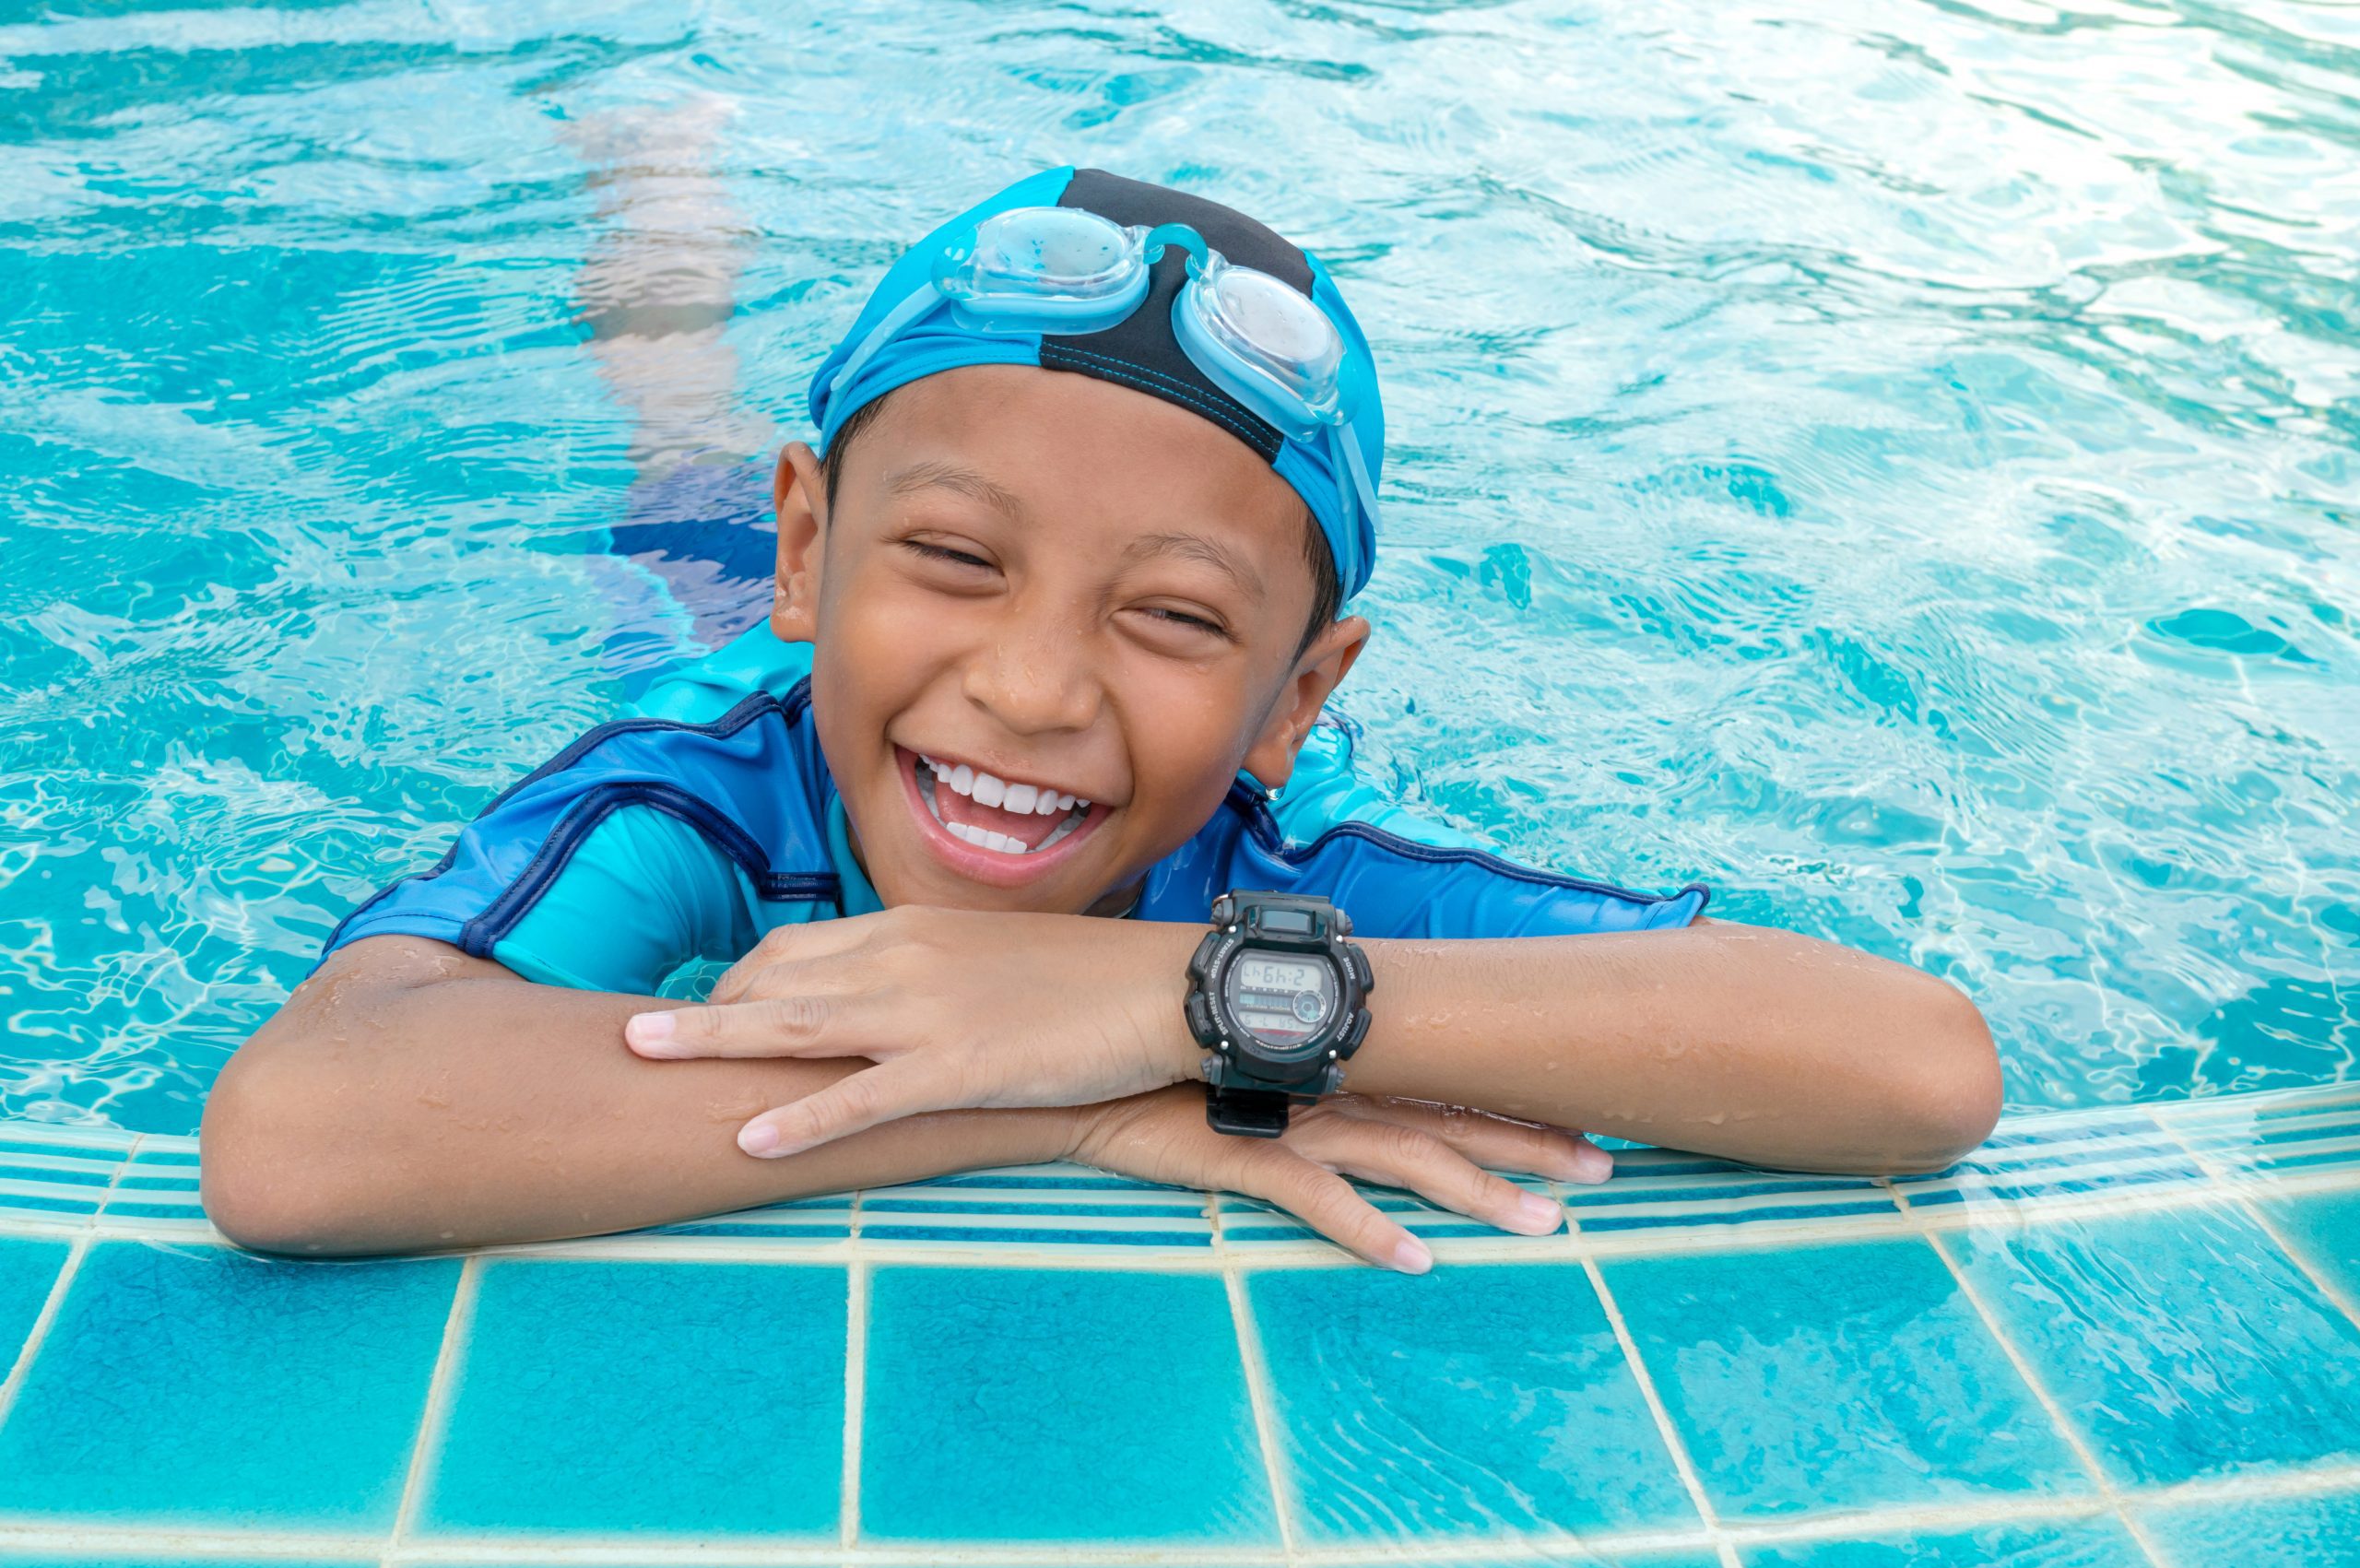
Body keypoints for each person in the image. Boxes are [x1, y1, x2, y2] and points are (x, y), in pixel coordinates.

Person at [199, 130, 2000, 1271]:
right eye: (960, 562)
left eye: (1166, 615)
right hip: (748, 651)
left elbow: (1916, 1064)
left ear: (1296, 696)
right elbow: (302, 1130)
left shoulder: (1262, 889)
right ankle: (668, 272)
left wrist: (1158, 992)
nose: (1033, 682)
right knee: (678, 467)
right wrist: (1059, 1100)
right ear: (820, 541)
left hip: (879, 668)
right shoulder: (690, 797)